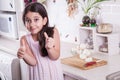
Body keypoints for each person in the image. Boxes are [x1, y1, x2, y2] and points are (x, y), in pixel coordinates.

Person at [17, 2, 64, 80]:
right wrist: (24, 55)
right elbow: (33, 62)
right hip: (37, 75)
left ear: (44, 20)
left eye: (36, 19)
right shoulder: (24, 39)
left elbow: (55, 56)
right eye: (28, 20)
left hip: (54, 74)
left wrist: (50, 49)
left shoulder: (53, 32)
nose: (32, 24)